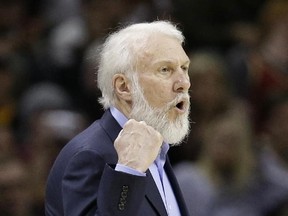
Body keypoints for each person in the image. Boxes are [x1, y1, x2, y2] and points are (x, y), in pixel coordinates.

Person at [45, 20, 190, 216]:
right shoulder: (89, 155)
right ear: (124, 87)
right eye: (165, 70)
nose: (184, 83)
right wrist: (128, 172)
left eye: (184, 68)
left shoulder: (156, 148)